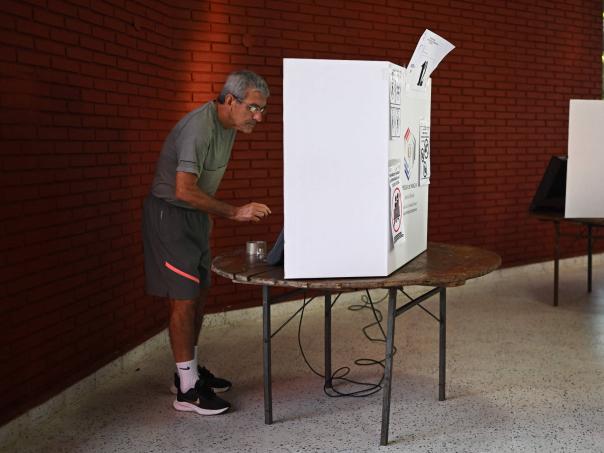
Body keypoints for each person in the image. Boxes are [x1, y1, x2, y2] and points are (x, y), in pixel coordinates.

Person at [142, 70, 271, 416]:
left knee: (198, 295)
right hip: (171, 215)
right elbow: (183, 189)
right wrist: (235, 212)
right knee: (184, 299)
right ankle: (187, 391)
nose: (258, 117)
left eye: (262, 110)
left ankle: (188, 373)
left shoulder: (229, 127)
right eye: (253, 108)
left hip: (195, 218)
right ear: (230, 100)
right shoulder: (199, 127)